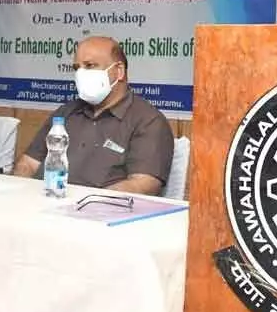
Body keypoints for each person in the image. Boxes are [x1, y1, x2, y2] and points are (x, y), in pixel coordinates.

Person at [13, 36, 175, 195]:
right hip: (41, 202)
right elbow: (28, 164)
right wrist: (19, 195)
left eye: (90, 66)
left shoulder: (148, 121)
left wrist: (87, 201)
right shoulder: (66, 112)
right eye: (77, 68)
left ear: (119, 71)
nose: (81, 74)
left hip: (96, 208)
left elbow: (143, 185)